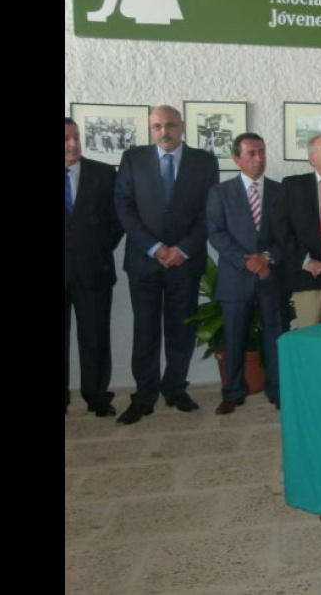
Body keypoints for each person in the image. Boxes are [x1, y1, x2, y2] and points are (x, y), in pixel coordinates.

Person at [114, 105, 219, 425]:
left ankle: (175, 388)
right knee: (145, 329)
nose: (164, 132)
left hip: (185, 262)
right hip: (145, 261)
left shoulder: (204, 161)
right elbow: (124, 206)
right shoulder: (133, 158)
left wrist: (183, 249)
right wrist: (156, 247)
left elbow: (209, 211)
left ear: (182, 126)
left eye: (170, 125)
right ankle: (144, 396)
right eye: (157, 126)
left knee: (180, 328)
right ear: (151, 128)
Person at [206, 133, 286, 413]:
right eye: (251, 153)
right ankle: (233, 391)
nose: (259, 159)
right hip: (235, 276)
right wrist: (245, 260)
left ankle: (277, 390)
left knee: (275, 335)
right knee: (234, 336)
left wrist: (265, 258)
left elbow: (287, 235)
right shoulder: (220, 192)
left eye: (262, 152)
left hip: (270, 276)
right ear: (237, 159)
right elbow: (216, 233)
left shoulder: (280, 191)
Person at [65, 117, 124, 417]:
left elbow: (117, 221)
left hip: (94, 269)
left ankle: (96, 394)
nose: (73, 144)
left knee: (95, 336)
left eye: (76, 136)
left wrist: (98, 248)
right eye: (66, 139)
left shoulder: (102, 173)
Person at [275, 134, 321, 327]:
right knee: (310, 339)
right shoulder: (292, 186)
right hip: (306, 276)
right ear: (312, 159)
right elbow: (280, 228)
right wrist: (307, 261)